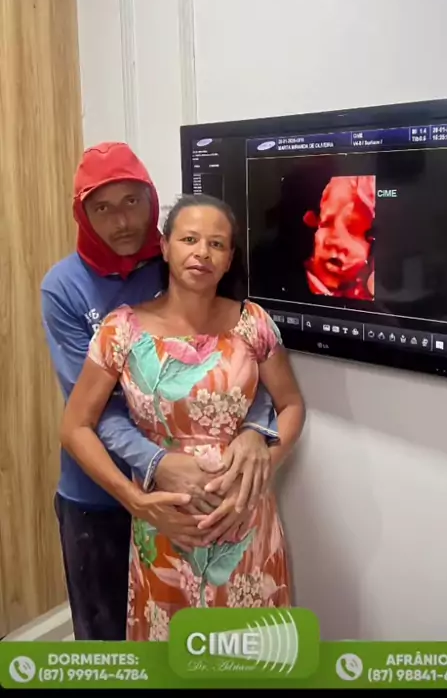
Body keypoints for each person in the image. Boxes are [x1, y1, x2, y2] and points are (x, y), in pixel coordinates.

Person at [41, 143, 279, 641]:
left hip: (199, 501)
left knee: (217, 643)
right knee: (111, 646)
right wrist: (155, 466)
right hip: (100, 493)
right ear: (82, 215)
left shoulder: (181, 260)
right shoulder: (65, 287)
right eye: (102, 208)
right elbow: (95, 411)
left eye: (132, 201)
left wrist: (257, 429)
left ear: (152, 202)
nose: (121, 221)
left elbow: (233, 364)